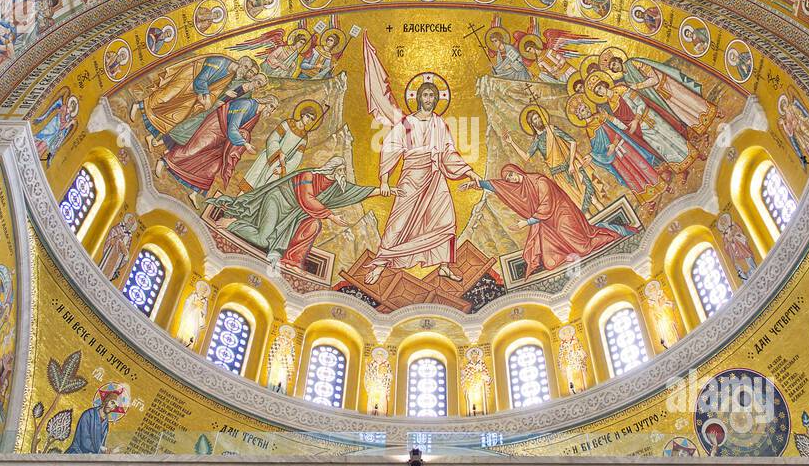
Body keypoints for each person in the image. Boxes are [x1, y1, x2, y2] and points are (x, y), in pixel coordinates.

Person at [362, 40, 480, 284]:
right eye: (425, 94)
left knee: (445, 218)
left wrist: (469, 172)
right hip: (412, 177)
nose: (428, 98)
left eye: (432, 95)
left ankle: (444, 265)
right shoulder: (406, 123)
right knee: (398, 222)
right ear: (418, 98)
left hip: (436, 176)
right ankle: (380, 264)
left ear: (436, 99)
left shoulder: (439, 123)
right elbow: (391, 148)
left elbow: (449, 151)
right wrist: (384, 179)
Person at [211, 157, 378, 269]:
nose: (343, 173)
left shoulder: (335, 187)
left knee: (313, 224)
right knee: (262, 240)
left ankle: (291, 259)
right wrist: (331, 216)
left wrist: (384, 190)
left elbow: (356, 192)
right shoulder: (308, 175)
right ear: (332, 169)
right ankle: (232, 224)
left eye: (343, 170)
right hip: (278, 201)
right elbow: (307, 198)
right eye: (341, 170)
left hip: (292, 214)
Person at [463, 164, 623, 274]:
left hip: (562, 214)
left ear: (517, 171)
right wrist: (477, 184)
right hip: (546, 222)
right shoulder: (522, 188)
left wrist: (527, 222)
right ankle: (568, 253)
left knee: (583, 247)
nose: (510, 179)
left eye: (511, 175)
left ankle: (605, 236)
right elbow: (499, 187)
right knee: (550, 261)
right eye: (508, 179)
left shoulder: (540, 181)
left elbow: (547, 205)